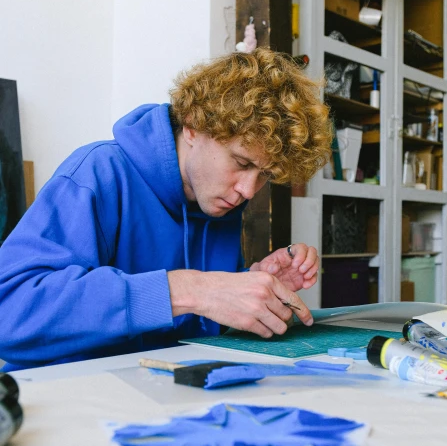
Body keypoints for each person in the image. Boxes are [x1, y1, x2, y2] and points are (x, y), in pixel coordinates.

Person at [0, 48, 332, 370]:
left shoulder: (218, 201)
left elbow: (193, 326)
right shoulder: (97, 173)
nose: (248, 190)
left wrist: (248, 287)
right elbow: (9, 314)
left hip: (157, 398)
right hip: (67, 401)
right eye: (241, 162)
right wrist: (192, 290)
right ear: (192, 126)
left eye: (266, 176)